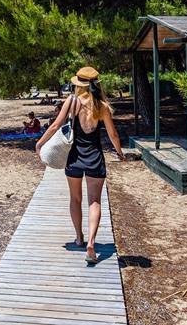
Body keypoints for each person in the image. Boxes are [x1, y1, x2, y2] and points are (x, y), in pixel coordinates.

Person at [35, 67, 125, 264]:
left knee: (75, 199)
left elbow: (55, 126)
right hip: (95, 157)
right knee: (95, 201)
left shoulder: (72, 101)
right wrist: (120, 153)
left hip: (74, 157)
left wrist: (40, 143)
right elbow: (113, 134)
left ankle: (79, 237)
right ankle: (91, 242)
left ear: (79, 84)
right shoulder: (102, 106)